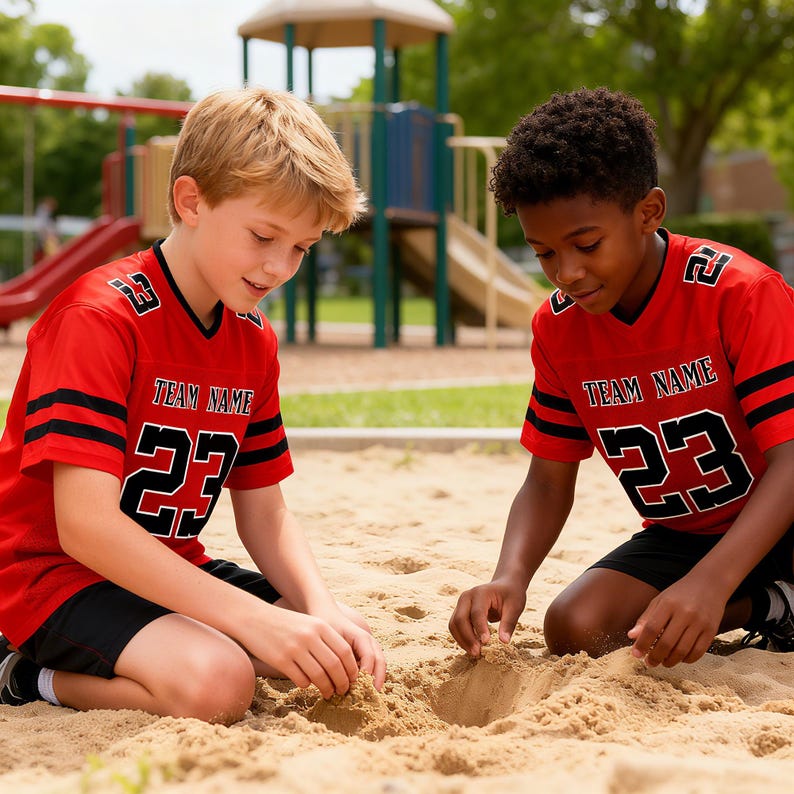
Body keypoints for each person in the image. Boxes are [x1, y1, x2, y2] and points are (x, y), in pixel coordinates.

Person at [0, 87, 385, 723]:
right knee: (217, 683)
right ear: (191, 200)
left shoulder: (252, 335)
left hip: (166, 567)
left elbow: (264, 509)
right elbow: (85, 526)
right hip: (49, 574)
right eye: (264, 236)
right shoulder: (102, 318)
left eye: (301, 247)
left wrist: (317, 605)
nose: (280, 266)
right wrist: (255, 623)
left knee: (338, 647)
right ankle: (25, 676)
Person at [449, 87, 794, 669]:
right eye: (544, 254)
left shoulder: (741, 294)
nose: (568, 272)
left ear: (649, 212)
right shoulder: (559, 327)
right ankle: (771, 606)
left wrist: (711, 583)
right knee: (576, 626)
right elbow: (547, 482)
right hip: (689, 532)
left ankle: (745, 594)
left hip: (781, 513)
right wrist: (508, 577)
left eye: (586, 245)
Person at [34, 196, 60, 261]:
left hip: (45, 236)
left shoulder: (42, 211)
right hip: (46, 236)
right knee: (49, 252)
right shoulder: (43, 211)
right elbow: (42, 225)